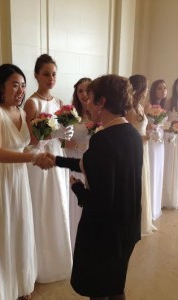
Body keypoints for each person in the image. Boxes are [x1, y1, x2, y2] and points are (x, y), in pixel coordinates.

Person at [47, 74, 143, 300]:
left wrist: (78, 189)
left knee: (98, 288)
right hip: (127, 225)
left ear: (102, 102)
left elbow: (101, 200)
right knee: (115, 285)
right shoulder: (131, 134)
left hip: (104, 231)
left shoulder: (104, 139)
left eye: (89, 98)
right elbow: (93, 165)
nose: (86, 103)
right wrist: (56, 160)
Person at [0, 63, 53, 300]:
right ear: (1, 87)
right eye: (14, 85)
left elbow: (27, 144)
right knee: (0, 232)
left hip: (18, 178)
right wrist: (32, 157)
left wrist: (45, 140)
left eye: (23, 86)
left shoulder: (20, 112)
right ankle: (0, 290)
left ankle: (20, 284)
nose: (20, 90)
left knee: (19, 228)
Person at [23, 54, 73, 283]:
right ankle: (41, 265)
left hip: (57, 156)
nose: (51, 78)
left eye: (54, 74)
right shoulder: (32, 103)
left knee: (58, 202)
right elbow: (32, 140)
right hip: (40, 158)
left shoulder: (59, 102)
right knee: (42, 205)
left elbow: (62, 135)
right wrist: (55, 134)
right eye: (46, 74)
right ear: (36, 75)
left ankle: (59, 260)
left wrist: (66, 135)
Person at [127, 74, 157, 236]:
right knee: (137, 180)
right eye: (145, 88)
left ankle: (144, 219)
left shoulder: (140, 107)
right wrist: (145, 137)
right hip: (135, 148)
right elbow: (128, 134)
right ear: (138, 89)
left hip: (143, 148)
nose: (146, 92)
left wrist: (149, 131)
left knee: (143, 179)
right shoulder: (129, 109)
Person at [65, 77, 92, 252]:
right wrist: (74, 145)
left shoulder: (99, 113)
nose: (83, 94)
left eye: (87, 90)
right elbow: (60, 138)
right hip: (73, 159)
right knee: (73, 201)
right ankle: (72, 241)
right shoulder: (70, 114)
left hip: (91, 163)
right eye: (80, 90)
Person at [147, 79, 167, 220]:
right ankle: (149, 207)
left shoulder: (163, 106)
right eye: (160, 88)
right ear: (154, 90)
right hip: (152, 142)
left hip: (160, 142)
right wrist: (153, 126)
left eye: (165, 88)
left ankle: (156, 206)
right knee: (153, 170)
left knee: (159, 171)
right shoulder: (148, 105)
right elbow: (147, 125)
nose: (163, 90)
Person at [162, 78, 178, 209]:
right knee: (168, 166)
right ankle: (166, 196)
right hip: (170, 136)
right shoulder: (169, 102)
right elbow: (164, 120)